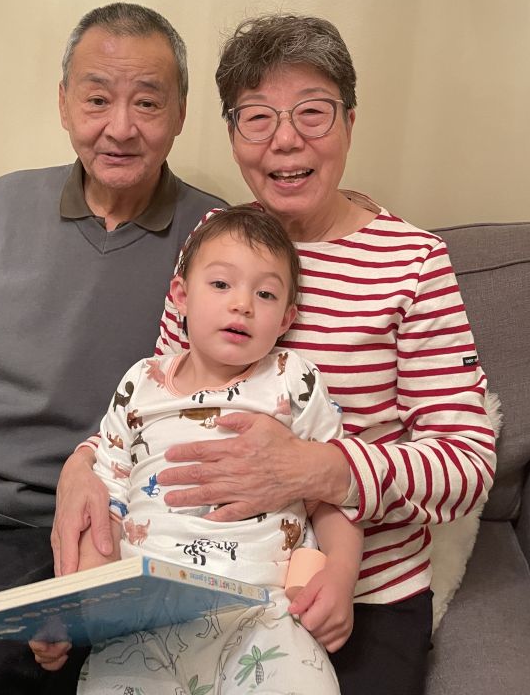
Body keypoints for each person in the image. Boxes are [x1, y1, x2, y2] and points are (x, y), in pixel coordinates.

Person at [53, 13, 497, 695]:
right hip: (184, 576)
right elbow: (162, 395)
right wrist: (82, 465)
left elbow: (467, 464)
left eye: (312, 112)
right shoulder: (214, 241)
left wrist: (318, 470)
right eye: (257, 117)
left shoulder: (414, 262)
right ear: (234, 136)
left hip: (348, 591)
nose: (286, 140)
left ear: (349, 122)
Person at [0, 2, 225, 695]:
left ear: (181, 113)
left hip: (44, 525)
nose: (119, 127)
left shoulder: (215, 242)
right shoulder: (5, 203)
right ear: (64, 103)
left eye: (147, 102)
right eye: (97, 99)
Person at [32, 206, 362, 694]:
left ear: (286, 318)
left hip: (263, 616)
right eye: (221, 284)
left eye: (266, 294)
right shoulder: (140, 383)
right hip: (141, 623)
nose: (242, 305)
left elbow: (333, 494)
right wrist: (75, 608)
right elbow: (104, 506)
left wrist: (340, 575)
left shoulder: (292, 379)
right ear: (181, 296)